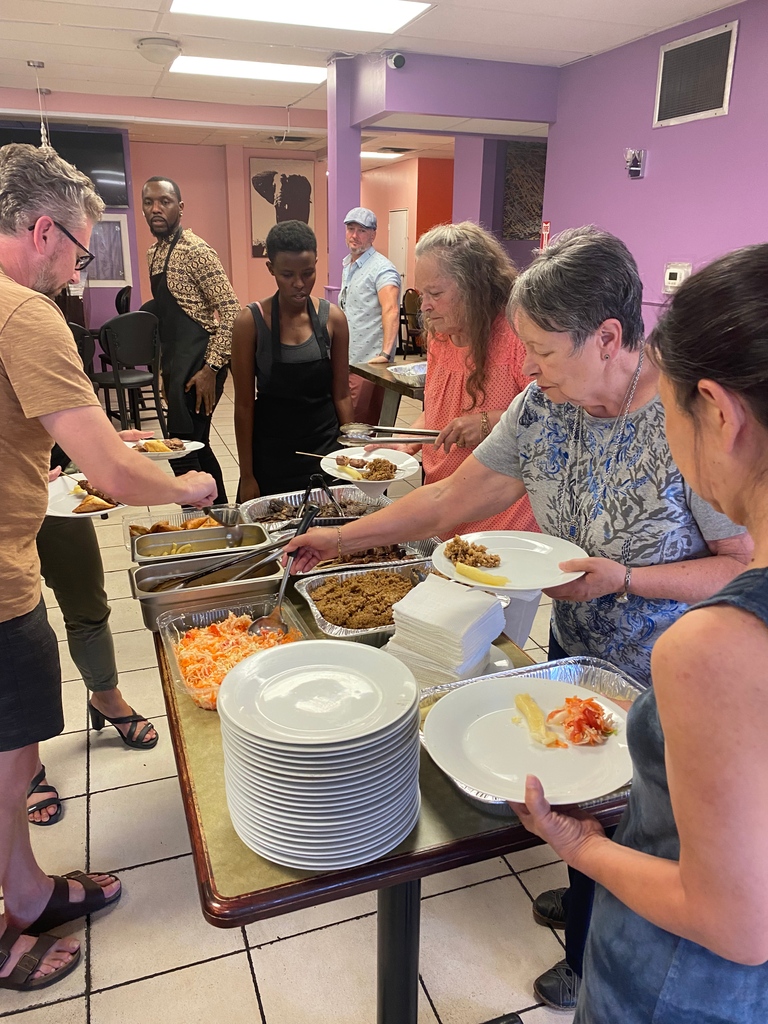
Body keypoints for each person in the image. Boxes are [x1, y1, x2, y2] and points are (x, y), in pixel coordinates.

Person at [285, 226, 752, 1009]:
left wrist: (627, 578)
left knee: (648, 827)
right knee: (572, 794)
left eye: (541, 349)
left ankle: (589, 947)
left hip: (670, 674)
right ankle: (583, 897)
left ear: (609, 337)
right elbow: (453, 498)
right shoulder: (544, 406)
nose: (527, 368)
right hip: (578, 651)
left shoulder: (685, 419)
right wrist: (341, 536)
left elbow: (741, 567)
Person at [511, 243, 768, 1024]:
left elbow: (734, 921)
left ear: (718, 413)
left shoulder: (712, 649)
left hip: (681, 990)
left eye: (675, 406)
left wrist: (579, 845)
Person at [0, 142, 216, 992]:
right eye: (81, 252)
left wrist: (87, 447)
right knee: (8, 757)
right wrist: (186, 484)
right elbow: (119, 479)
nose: (80, 271)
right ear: (42, 229)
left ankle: (26, 889)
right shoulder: (25, 313)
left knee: (13, 753)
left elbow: (49, 432)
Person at [27, 434, 159, 828]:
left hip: (53, 492)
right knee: (16, 635)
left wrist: (98, 436)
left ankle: (106, 698)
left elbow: (58, 410)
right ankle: (23, 758)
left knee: (87, 606)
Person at [382, 221, 537, 538]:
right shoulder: (441, 334)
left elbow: (549, 420)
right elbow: (439, 411)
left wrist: (487, 422)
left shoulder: (515, 338)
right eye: (421, 293)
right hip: (445, 504)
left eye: (435, 293)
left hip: (500, 517)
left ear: (474, 288)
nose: (424, 306)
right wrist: (404, 441)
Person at [231, 220, 353, 499]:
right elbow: (244, 406)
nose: (299, 284)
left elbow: (343, 395)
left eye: (308, 273)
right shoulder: (250, 323)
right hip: (272, 456)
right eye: (287, 274)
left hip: (325, 451)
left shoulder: (333, 320)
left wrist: (351, 454)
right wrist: (247, 476)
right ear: (271, 268)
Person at [141, 176, 240, 504]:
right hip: (175, 363)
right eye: (149, 202)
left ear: (180, 208)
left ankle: (207, 516)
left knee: (181, 451)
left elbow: (231, 313)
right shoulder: (153, 253)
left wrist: (211, 368)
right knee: (198, 446)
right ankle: (221, 517)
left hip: (200, 366)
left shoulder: (195, 250)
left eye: (164, 202)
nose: (156, 209)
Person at [339, 207, 401, 424]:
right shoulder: (348, 264)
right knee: (348, 422)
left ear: (373, 235)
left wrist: (385, 354)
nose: (355, 235)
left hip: (369, 364)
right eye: (351, 228)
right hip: (348, 360)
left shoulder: (383, 270)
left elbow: (391, 309)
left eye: (362, 230)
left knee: (362, 425)